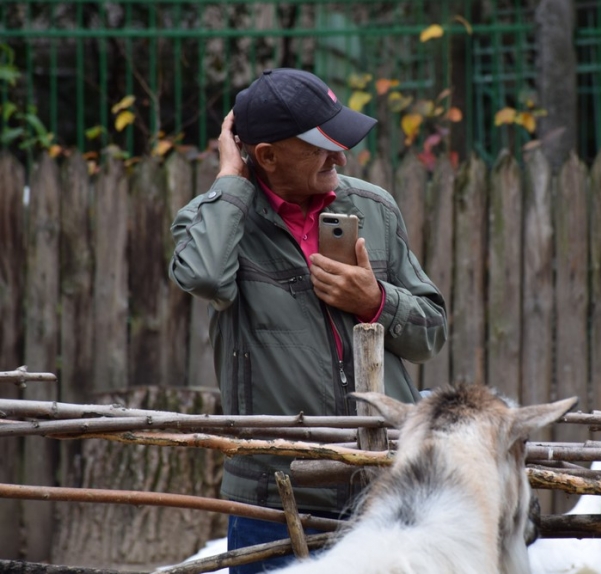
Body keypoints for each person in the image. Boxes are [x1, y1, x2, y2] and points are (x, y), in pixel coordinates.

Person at [168, 68, 448, 573]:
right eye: (322, 145)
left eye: (341, 140)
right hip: (272, 498)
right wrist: (231, 179)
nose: (341, 157)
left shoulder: (374, 208)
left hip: (388, 485)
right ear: (267, 155)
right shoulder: (213, 218)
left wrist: (377, 301)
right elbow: (205, 278)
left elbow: (433, 333)